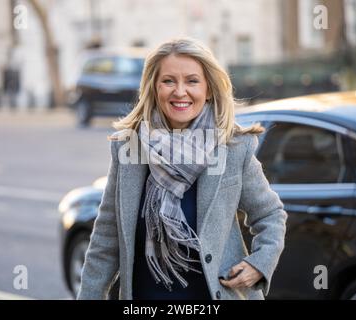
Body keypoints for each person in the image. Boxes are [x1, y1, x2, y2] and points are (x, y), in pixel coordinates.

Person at [77, 38, 287, 300]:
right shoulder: (128, 149)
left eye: (192, 81)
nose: (180, 92)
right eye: (168, 81)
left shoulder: (233, 147)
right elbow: (105, 243)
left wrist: (260, 264)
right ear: (154, 88)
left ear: (208, 89)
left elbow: (270, 214)